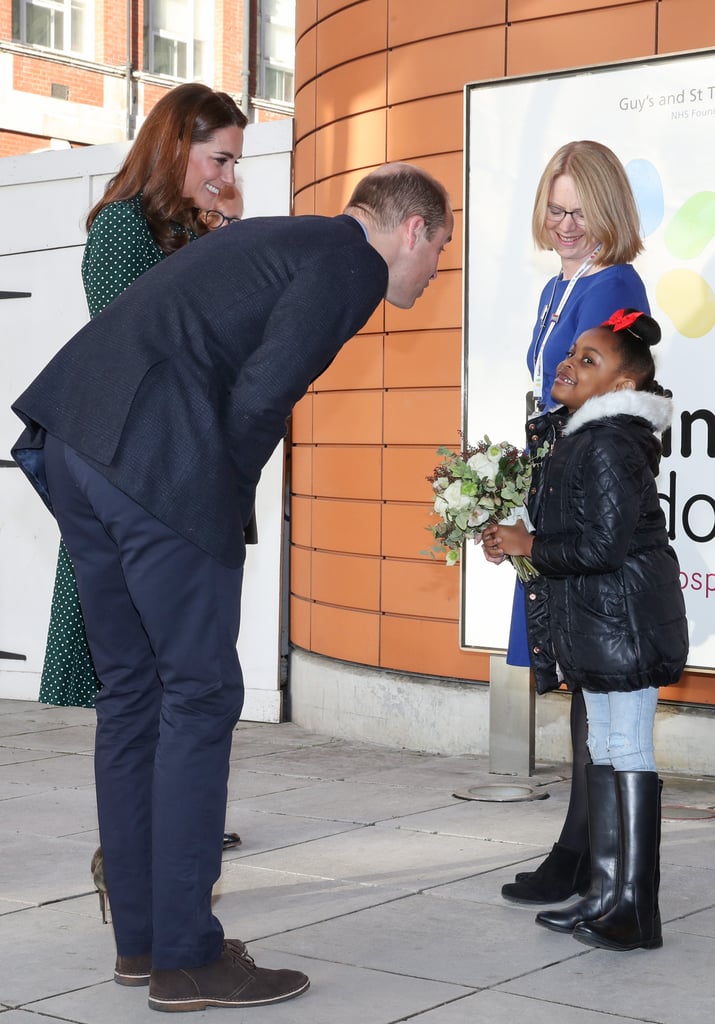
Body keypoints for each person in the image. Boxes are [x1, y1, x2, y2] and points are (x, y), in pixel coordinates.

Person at [11, 162, 453, 1011]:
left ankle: (141, 944)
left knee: (134, 695)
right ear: (410, 229)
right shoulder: (348, 261)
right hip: (151, 460)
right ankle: (186, 956)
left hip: (77, 437)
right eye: (439, 247)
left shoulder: (285, 238)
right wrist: (216, 508)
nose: (435, 268)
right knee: (202, 695)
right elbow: (261, 398)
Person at [38, 82, 247, 855]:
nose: (226, 174)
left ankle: (173, 814)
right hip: (133, 475)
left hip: (179, 477)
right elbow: (155, 353)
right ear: (175, 146)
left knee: (183, 668)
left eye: (233, 161)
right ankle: (132, 844)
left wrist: (225, 237)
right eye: (218, 157)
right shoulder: (123, 229)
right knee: (143, 679)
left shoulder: (195, 229)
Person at [483, 309, 688, 952]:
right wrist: (521, 535)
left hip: (622, 623)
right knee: (604, 748)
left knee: (625, 750)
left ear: (622, 384)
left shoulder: (606, 442)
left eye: (589, 361)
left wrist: (529, 541)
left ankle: (634, 908)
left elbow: (601, 545)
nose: (569, 364)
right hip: (604, 624)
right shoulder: (589, 437)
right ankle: (605, 894)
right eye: (572, 353)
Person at [494, 140, 653, 906]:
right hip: (554, 488)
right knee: (580, 677)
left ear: (608, 211)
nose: (563, 224)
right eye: (554, 209)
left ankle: (587, 856)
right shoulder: (556, 289)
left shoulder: (613, 284)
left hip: (583, 498)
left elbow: (601, 400)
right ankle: (578, 845)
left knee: (594, 674)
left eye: (578, 211)